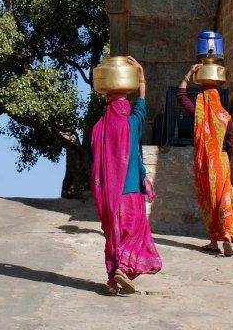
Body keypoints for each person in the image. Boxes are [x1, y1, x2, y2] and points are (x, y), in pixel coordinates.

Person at [91, 56, 162, 295]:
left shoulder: (98, 129)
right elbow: (141, 107)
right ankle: (122, 268)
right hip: (130, 191)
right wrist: (141, 77)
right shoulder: (130, 124)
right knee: (132, 234)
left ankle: (112, 281)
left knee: (114, 234)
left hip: (109, 195)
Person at [177, 63, 233, 256]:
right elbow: (232, 143)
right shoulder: (225, 116)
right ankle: (226, 234)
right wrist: (225, 159)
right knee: (225, 196)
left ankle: (213, 242)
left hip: (204, 163)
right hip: (221, 161)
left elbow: (181, 96)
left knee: (209, 200)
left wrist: (189, 73)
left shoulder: (199, 114)